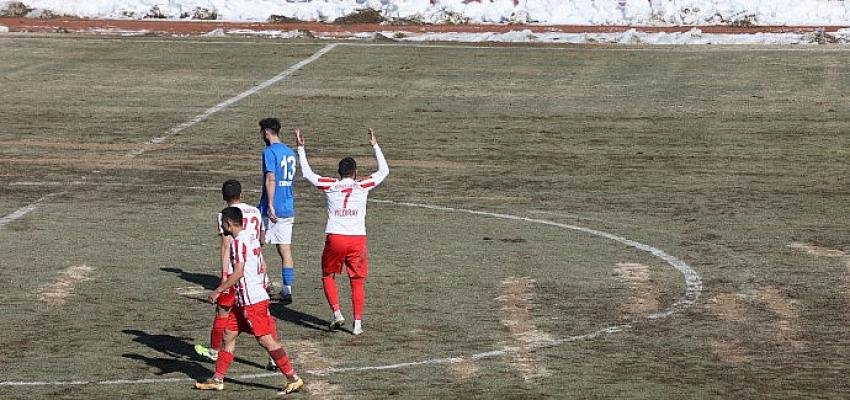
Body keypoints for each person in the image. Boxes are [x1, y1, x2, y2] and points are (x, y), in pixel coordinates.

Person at [194, 206, 304, 395]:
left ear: (228, 223)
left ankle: (293, 378)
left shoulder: (238, 243)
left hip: (251, 301)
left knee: (266, 340)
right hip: (244, 299)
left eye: (222, 224)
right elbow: (263, 264)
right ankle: (217, 379)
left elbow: (238, 273)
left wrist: (218, 290)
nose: (221, 227)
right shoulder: (251, 238)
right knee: (229, 335)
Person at [295, 128, 388, 335]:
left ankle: (337, 313)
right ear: (355, 172)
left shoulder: (331, 186)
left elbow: (308, 175)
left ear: (339, 173)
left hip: (335, 237)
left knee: (328, 275)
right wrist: (375, 145)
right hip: (357, 239)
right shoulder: (362, 185)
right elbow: (384, 172)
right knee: (357, 280)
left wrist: (301, 148)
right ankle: (357, 325)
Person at [194, 180, 276, 370]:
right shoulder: (255, 211)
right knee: (265, 315)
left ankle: (214, 351)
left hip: (237, 272)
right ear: (243, 194)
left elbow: (226, 245)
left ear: (224, 197)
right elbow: (262, 239)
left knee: (223, 310)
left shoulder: (224, 216)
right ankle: (273, 357)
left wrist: (224, 276)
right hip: (257, 268)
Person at [258, 118, 298, 304]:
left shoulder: (269, 151)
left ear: (267, 132)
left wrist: (270, 205)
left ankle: (262, 284)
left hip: (271, 207)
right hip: (288, 207)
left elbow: (271, 178)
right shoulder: (290, 152)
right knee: (285, 249)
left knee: (256, 245)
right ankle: (287, 290)